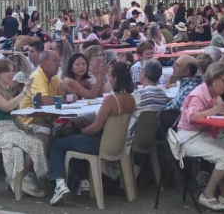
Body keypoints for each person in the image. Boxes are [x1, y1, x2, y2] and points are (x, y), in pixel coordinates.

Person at [48, 61, 136, 204]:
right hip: (118, 144)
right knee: (73, 141)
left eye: (109, 77)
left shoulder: (111, 100)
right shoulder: (131, 99)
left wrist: (79, 129)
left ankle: (60, 185)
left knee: (58, 144)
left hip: (99, 144)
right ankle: (84, 181)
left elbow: (95, 128)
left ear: (114, 79)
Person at [174, 62, 224, 211]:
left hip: (202, 135)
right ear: (215, 79)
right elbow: (192, 117)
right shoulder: (198, 94)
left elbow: (221, 107)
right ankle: (207, 193)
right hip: (188, 138)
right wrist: (214, 111)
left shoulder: (214, 94)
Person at [0, 59, 47, 198]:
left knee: (37, 141)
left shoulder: (6, 90)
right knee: (35, 144)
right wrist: (24, 93)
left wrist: (23, 126)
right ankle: (21, 179)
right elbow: (6, 107)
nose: (11, 73)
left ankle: (23, 177)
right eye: (8, 70)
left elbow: (12, 115)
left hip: (10, 129)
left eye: (12, 70)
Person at [18, 49, 62, 143]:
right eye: (55, 61)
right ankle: (42, 157)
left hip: (46, 121)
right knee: (47, 136)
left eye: (59, 61)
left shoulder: (54, 78)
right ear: (44, 63)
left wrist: (68, 90)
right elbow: (45, 101)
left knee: (70, 131)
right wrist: (65, 99)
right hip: (29, 123)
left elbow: (70, 95)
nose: (59, 64)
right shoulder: (36, 76)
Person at [130, 59, 168, 144]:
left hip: (135, 137)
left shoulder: (139, 95)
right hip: (153, 137)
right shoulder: (162, 94)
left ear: (144, 73)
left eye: (141, 69)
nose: (139, 72)